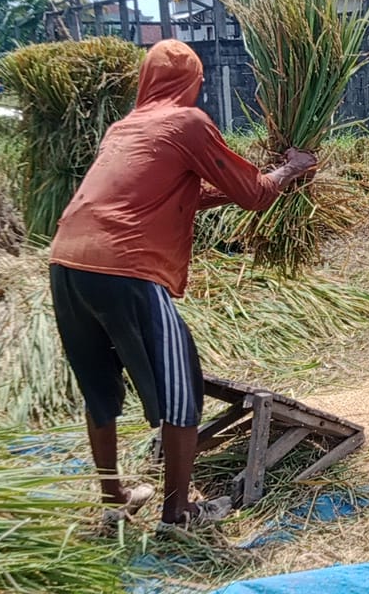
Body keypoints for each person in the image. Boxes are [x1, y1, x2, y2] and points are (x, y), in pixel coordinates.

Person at [48, 40, 316, 534]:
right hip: (125, 267)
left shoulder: (124, 128)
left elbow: (170, 197)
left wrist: (274, 178)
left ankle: (115, 499)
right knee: (181, 387)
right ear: (189, 81)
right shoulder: (187, 122)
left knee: (99, 385)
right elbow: (255, 194)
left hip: (66, 263)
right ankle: (178, 513)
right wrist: (290, 169)